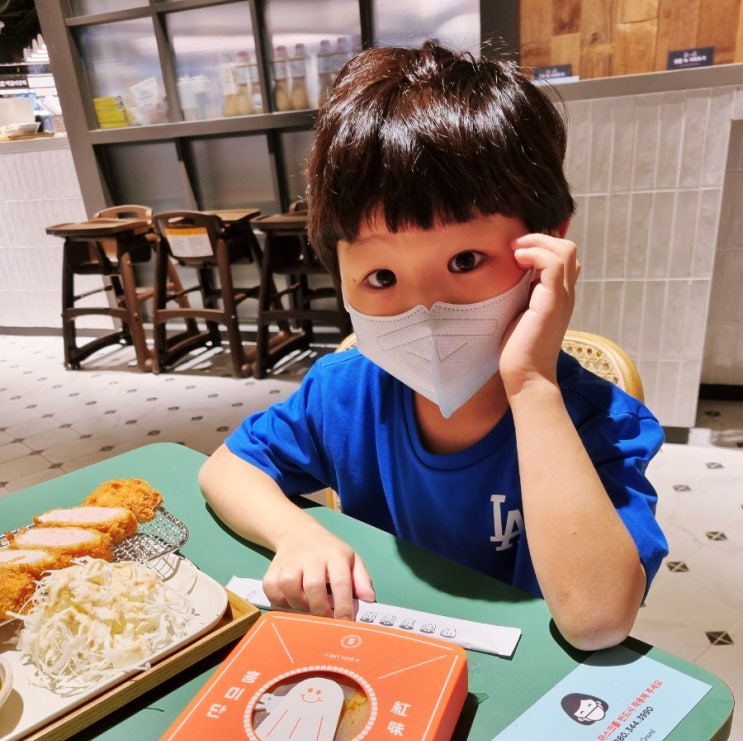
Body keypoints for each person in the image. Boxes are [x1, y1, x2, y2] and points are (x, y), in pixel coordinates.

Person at [199, 42, 668, 651]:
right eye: (381, 277)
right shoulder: (343, 393)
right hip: (385, 656)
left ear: (548, 248)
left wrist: (532, 385)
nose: (424, 310)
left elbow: (598, 619)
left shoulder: (600, 423)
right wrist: (296, 533)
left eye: (465, 260)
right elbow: (226, 468)